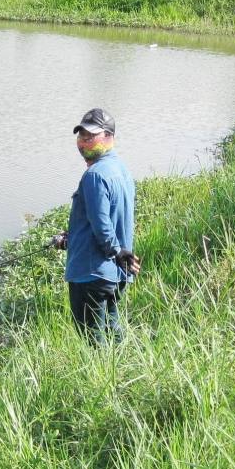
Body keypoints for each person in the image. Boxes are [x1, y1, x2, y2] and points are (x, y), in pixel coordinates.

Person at [52, 108, 140, 343]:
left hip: (91, 273)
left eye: (91, 136)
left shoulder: (94, 176)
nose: (83, 142)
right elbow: (106, 219)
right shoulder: (121, 169)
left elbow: (102, 225)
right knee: (113, 331)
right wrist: (71, 238)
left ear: (109, 136)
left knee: (92, 340)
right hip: (116, 273)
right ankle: (123, 371)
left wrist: (115, 251)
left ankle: (101, 380)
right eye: (81, 136)